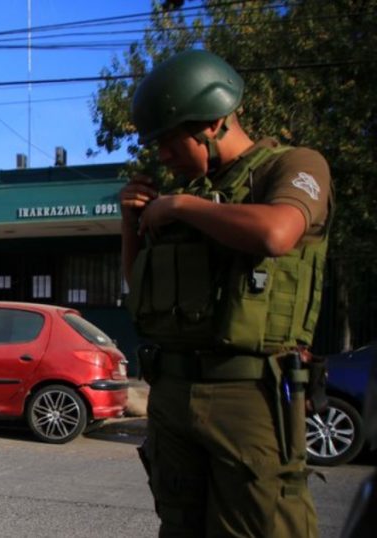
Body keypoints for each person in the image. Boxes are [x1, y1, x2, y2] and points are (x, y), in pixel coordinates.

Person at [120, 49, 333, 537]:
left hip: (249, 392)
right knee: (178, 525)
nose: (163, 156)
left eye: (170, 142)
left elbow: (277, 233)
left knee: (260, 526)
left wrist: (179, 206)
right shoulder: (183, 194)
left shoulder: (293, 166)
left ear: (213, 123)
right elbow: (140, 292)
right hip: (173, 389)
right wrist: (130, 225)